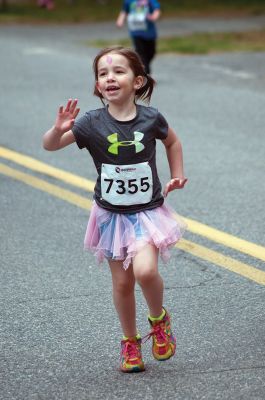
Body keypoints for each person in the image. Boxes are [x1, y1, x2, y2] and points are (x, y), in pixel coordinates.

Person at [42, 45, 187, 373]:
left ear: (137, 82)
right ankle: (130, 343)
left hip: (146, 213)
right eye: (103, 73)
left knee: (146, 271)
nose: (109, 77)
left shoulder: (151, 118)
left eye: (118, 71)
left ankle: (159, 319)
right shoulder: (91, 123)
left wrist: (177, 174)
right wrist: (58, 127)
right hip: (110, 215)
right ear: (97, 86)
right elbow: (49, 145)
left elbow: (172, 142)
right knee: (122, 284)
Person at [116, 0, 161, 74]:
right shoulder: (129, 1)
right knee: (140, 52)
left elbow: (157, 9)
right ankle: (145, 72)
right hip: (136, 32)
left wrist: (154, 16)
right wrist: (120, 20)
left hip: (149, 32)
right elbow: (124, 11)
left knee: (151, 52)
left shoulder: (150, 1)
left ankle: (144, 65)